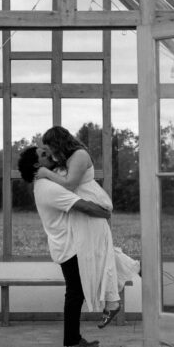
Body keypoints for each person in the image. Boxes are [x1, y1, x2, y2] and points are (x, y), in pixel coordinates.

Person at [35, 126, 140, 328]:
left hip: (90, 203)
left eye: (48, 146)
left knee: (98, 253)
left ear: (58, 142)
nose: (48, 152)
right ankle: (123, 285)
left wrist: (46, 172)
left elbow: (69, 184)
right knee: (98, 253)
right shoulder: (66, 158)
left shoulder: (80, 155)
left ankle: (113, 300)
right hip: (80, 210)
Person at [17, 142, 111, 347]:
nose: (48, 153)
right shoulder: (47, 188)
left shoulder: (46, 182)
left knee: (76, 292)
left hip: (69, 244)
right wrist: (105, 211)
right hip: (68, 247)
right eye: (43, 154)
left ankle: (75, 340)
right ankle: (72, 344)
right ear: (36, 165)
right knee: (75, 294)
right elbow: (82, 205)